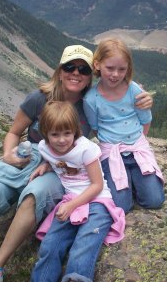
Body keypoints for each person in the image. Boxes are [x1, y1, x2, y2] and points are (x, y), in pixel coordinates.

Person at [0, 44, 153, 282]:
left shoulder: (90, 103)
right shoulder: (39, 98)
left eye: (82, 69)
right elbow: (13, 131)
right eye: (69, 67)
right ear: (60, 71)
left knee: (34, 195)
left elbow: (114, 115)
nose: (76, 73)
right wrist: (9, 154)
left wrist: (138, 96)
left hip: (60, 166)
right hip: (27, 157)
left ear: (90, 74)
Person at [29, 101, 125, 282]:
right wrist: (45, 166)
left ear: (75, 130)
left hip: (97, 201)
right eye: (55, 134)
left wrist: (72, 205)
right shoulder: (44, 147)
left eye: (67, 133)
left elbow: (96, 185)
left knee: (84, 245)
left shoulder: (86, 149)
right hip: (71, 199)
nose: (62, 140)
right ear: (45, 134)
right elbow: (57, 159)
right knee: (50, 245)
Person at [83, 38, 165, 213]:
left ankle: (135, 180)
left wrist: (137, 142)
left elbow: (145, 120)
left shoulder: (134, 90)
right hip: (111, 152)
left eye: (122, 69)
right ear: (97, 65)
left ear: (128, 68)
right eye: (110, 68)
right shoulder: (91, 99)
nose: (115, 74)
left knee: (155, 200)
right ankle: (129, 182)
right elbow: (96, 128)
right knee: (121, 206)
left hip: (137, 148)